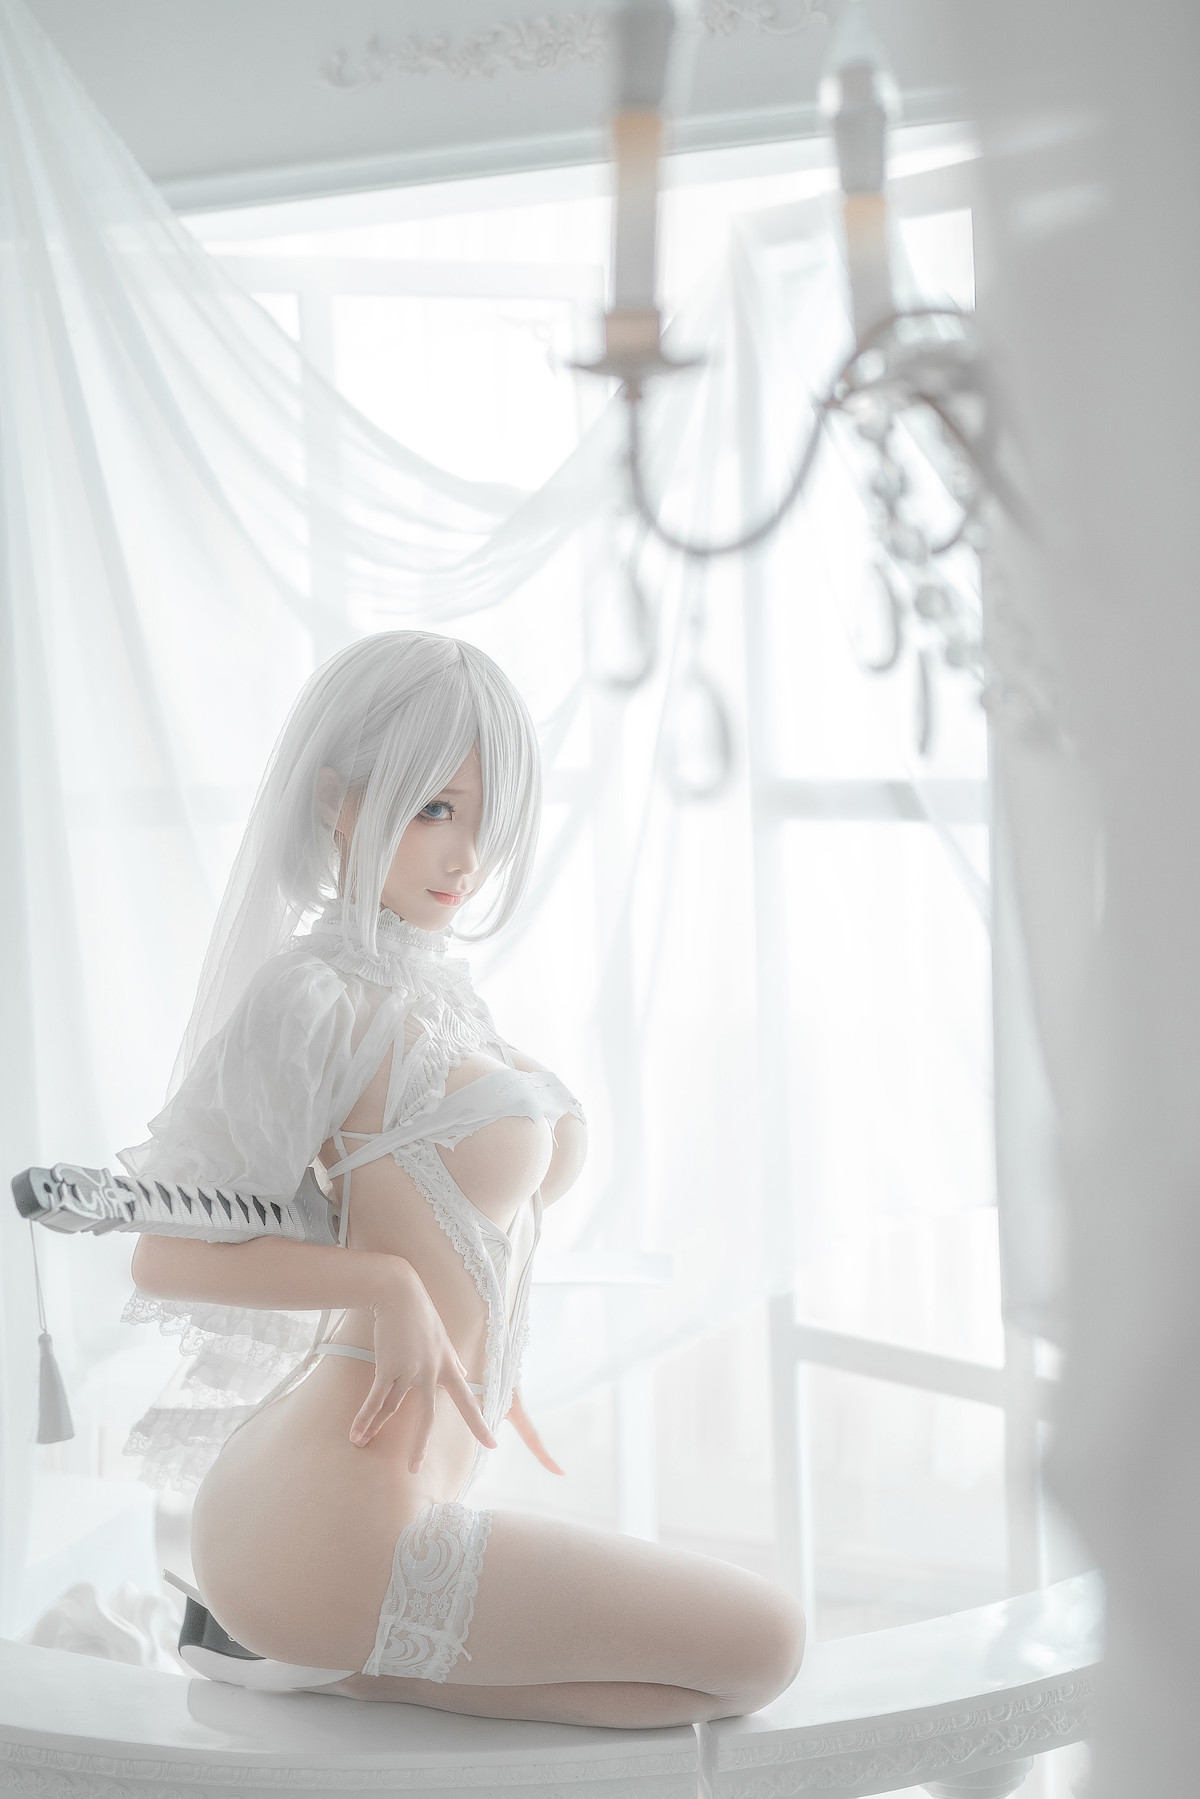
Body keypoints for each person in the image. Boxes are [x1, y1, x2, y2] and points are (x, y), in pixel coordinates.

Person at [124, 629, 804, 1727]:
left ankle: (314, 1656)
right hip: (322, 1514)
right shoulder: (313, 994)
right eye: (436, 807)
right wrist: (386, 1283)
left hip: (389, 1495)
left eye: (491, 817)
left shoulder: (435, 988)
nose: (468, 855)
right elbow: (164, 1254)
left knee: (725, 1674)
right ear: (338, 801)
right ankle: (307, 1641)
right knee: (764, 1644)